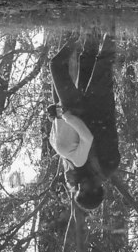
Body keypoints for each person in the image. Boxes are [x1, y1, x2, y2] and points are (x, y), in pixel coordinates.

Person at [49, 31, 121, 210]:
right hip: (99, 107)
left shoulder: (73, 174)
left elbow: (65, 142)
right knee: (102, 62)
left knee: (86, 59)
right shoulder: (108, 166)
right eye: (84, 190)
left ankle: (90, 21)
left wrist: (56, 116)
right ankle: (110, 18)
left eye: (78, 191)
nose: (80, 187)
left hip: (77, 112)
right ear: (97, 189)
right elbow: (106, 133)